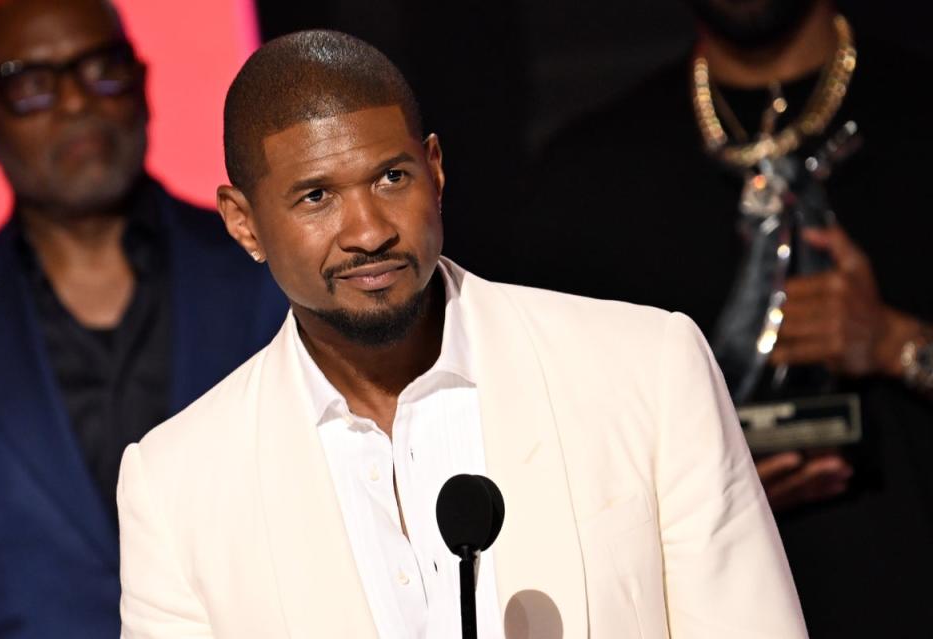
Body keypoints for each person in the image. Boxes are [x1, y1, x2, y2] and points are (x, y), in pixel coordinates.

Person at [117, 29, 807, 639]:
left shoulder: (647, 370)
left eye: (392, 176)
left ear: (436, 169)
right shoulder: (177, 486)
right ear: (243, 222)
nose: (369, 231)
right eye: (317, 196)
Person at [515, 0, 933, 636]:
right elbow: (543, 453)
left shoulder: (918, 116)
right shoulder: (588, 174)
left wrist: (899, 344)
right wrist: (703, 486)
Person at [0, 0, 287, 636]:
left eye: (102, 69)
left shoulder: (268, 272)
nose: (75, 102)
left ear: (143, 85)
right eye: (32, 84)